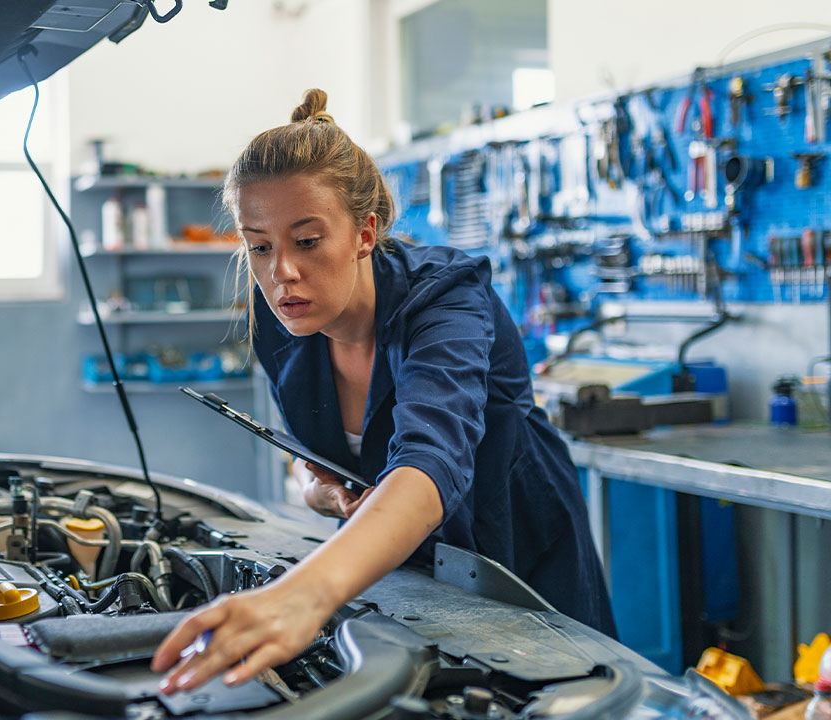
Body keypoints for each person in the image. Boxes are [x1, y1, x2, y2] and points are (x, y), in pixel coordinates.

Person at [151, 89, 615, 694]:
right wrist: (313, 485)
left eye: (307, 241)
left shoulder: (446, 298)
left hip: (514, 558)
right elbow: (309, 443)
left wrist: (302, 595)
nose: (280, 272)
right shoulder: (282, 318)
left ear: (365, 233)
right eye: (259, 246)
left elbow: (430, 461)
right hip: (391, 565)